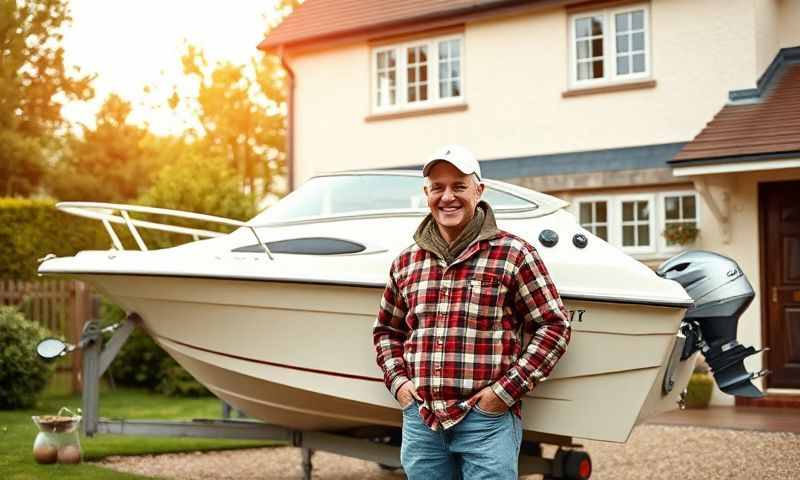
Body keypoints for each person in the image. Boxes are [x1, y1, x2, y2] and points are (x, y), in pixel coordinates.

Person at [372, 145, 572, 479]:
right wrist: (400, 384)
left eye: (459, 186)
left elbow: (554, 326)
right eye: (438, 187)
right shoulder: (406, 262)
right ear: (427, 194)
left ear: (479, 190)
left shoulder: (515, 254)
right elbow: (387, 332)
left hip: (486, 422)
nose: (447, 196)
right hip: (422, 421)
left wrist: (502, 394)